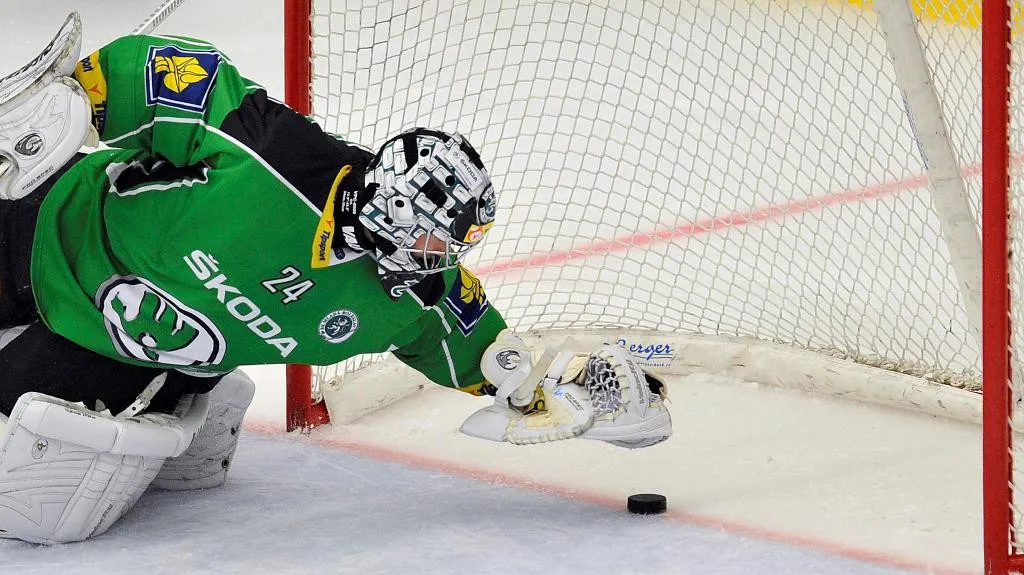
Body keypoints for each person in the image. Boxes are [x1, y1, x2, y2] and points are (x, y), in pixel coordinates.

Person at [0, 13, 672, 545]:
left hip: (107, 345)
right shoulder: (277, 156)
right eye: (437, 237)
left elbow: (496, 360)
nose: (443, 257)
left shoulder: (417, 299)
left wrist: (574, 395)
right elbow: (180, 71)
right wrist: (81, 96)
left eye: (455, 243)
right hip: (48, 223)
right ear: (395, 209)